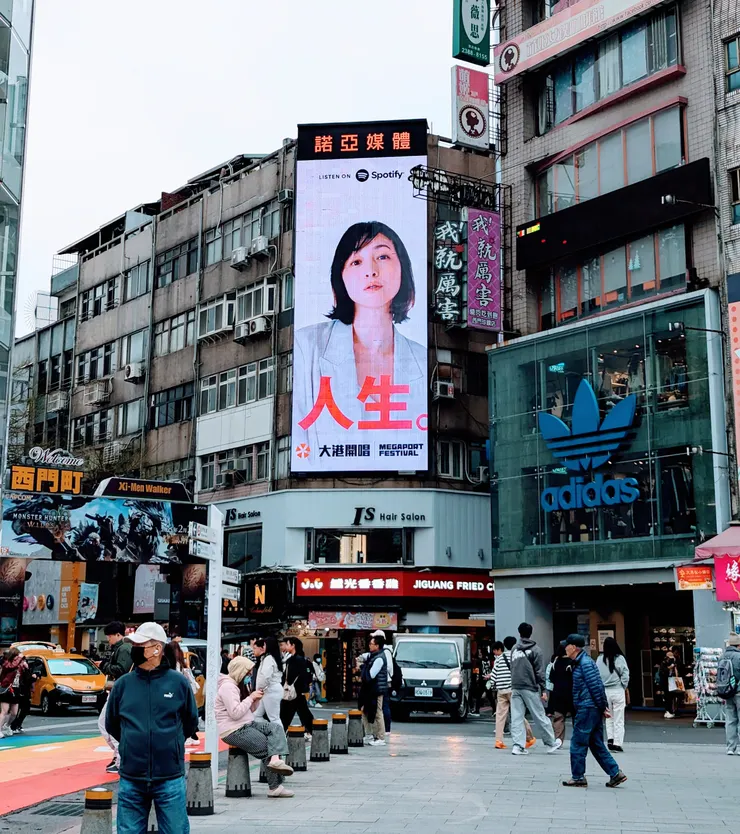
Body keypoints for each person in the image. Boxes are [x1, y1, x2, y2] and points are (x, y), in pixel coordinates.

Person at [293, 221, 427, 457]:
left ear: (402, 268)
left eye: (383, 257)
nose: (371, 271)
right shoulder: (307, 346)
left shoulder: (422, 360)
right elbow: (301, 437)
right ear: (341, 276)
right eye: (356, 261)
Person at [105, 622, 199, 833]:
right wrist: (132, 743)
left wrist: (169, 743)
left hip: (169, 776)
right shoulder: (123, 685)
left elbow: (190, 721)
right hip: (131, 776)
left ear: (157, 648)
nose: (135, 650)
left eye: (141, 645)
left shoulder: (178, 683)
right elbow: (112, 723)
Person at [216, 656, 294, 798]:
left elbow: (249, 710)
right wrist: (251, 698)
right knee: (266, 747)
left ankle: (275, 760)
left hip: (246, 723)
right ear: (240, 671)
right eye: (248, 672)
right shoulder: (228, 687)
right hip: (234, 730)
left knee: (276, 728)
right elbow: (235, 713)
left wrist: (256, 700)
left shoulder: (239, 686)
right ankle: (275, 787)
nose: (250, 675)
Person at [562, 634, 627, 789]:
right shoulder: (580, 663)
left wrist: (602, 706)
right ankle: (615, 773)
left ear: (574, 647)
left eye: (567, 645)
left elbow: (596, 686)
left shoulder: (585, 663)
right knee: (596, 744)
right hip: (591, 708)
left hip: (587, 708)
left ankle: (578, 777)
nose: (565, 648)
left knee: (578, 743)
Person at [510, 623, 562, 756]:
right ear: (531, 633)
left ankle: (518, 745)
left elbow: (512, 666)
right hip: (529, 686)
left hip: (515, 685)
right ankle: (550, 742)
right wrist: (543, 688)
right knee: (539, 714)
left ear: (519, 632)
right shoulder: (536, 650)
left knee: (517, 717)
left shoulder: (514, 649)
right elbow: (539, 671)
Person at [98, 621, 133, 773]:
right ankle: (118, 755)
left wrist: (103, 665)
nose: (109, 639)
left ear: (118, 635)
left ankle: (121, 756)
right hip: (118, 691)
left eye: (110, 636)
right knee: (109, 723)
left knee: (106, 723)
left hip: (119, 691)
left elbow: (121, 669)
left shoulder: (124, 649)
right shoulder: (121, 648)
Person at [491, 637, 535, 750]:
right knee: (518, 714)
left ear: (504, 646)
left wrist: (493, 685)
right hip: (513, 689)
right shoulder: (516, 657)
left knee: (500, 716)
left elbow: (494, 675)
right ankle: (529, 737)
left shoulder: (499, 658)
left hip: (501, 690)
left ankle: (498, 741)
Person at [164, 641, 200, 747]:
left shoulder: (171, 665)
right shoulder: (182, 663)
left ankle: (190, 735)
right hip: (182, 694)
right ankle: (191, 735)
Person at [597, 637, 629, 751]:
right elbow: (625, 675)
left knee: (608, 717)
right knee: (619, 718)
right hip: (617, 690)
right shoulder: (619, 658)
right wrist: (623, 686)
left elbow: (597, 676)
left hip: (605, 691)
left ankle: (610, 739)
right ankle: (617, 742)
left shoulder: (600, 659)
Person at [280, 637, 314, 735]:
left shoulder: (293, 660)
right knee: (304, 714)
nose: (285, 647)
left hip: (292, 692)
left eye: (287, 644)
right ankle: (316, 732)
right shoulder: (302, 659)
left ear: (293, 645)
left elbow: (289, 677)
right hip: (298, 692)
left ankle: (279, 738)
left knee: (284, 717)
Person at [359, 634, 388, 746]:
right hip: (370, 689)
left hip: (376, 689)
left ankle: (380, 737)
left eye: (371, 644)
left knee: (377, 712)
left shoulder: (379, 658)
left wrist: (363, 668)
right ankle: (369, 734)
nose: (369, 646)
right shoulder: (372, 656)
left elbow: (371, 675)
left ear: (377, 646)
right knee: (365, 711)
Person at [546, 642, 573, 744]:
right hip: (570, 693)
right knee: (576, 717)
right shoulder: (571, 662)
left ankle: (558, 740)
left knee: (558, 718)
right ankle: (578, 740)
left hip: (557, 693)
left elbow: (551, 678)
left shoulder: (556, 662)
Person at [253, 637, 284, 726]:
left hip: (270, 690)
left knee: (274, 718)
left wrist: (259, 689)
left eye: (265, 645)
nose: (263, 647)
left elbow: (265, 676)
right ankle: (269, 733)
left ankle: (280, 739)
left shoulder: (269, 658)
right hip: (268, 690)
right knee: (256, 715)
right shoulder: (270, 658)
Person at [719, 633, 740, 754]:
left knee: (730, 720)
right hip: (738, 691)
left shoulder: (722, 657)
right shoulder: (739, 657)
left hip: (727, 691)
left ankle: (730, 748)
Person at [0, 648, 28, 737]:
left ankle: (7, 726)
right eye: (17, 656)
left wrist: (25, 667)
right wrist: (19, 659)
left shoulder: (20, 665)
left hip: (16, 689)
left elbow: (26, 677)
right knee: (4, 711)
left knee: (14, 712)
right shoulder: (6, 662)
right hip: (7, 688)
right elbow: (11, 667)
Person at [660, 648, 684, 719]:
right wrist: (669, 668)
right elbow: (662, 672)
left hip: (671, 681)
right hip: (666, 682)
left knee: (671, 696)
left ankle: (671, 710)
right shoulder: (664, 663)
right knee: (667, 697)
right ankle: (668, 711)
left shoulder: (673, 663)